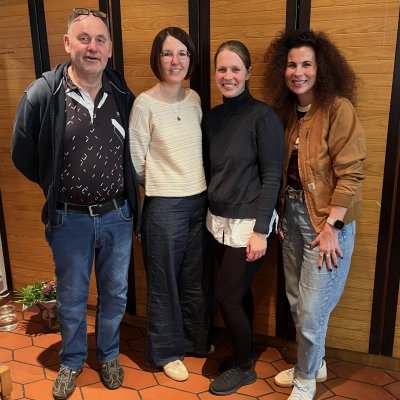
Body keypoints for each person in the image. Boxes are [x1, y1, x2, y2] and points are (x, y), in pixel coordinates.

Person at [11, 8, 141, 400]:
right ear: (68, 43)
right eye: (84, 38)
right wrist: (55, 186)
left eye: (100, 40)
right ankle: (71, 360)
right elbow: (23, 155)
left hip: (117, 215)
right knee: (71, 297)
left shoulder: (122, 94)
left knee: (116, 293)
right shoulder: (43, 93)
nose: (92, 47)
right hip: (70, 219)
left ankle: (109, 355)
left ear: (110, 48)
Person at [264, 30, 366, 400]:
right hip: (291, 216)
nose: (299, 72)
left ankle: (305, 379)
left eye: (307, 64)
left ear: (321, 69)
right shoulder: (287, 113)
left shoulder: (338, 109)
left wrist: (332, 227)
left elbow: (351, 173)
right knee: (296, 299)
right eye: (292, 64)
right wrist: (280, 214)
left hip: (326, 220)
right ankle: (315, 362)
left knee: (311, 309)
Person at [129, 27, 212, 382]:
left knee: (194, 278)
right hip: (163, 206)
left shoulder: (194, 100)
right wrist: (165, 182)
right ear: (157, 59)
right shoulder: (144, 104)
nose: (175, 61)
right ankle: (166, 351)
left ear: (190, 59)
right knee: (164, 282)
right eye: (167, 53)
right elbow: (137, 163)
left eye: (182, 53)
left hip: (199, 201)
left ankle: (195, 341)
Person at [203, 40, 284, 396]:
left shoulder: (263, 117)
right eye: (222, 69)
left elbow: (272, 176)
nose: (228, 76)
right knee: (238, 294)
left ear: (248, 73)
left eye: (236, 69)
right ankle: (244, 352)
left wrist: (260, 231)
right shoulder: (212, 118)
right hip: (217, 223)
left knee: (227, 296)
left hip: (249, 225)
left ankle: (243, 367)